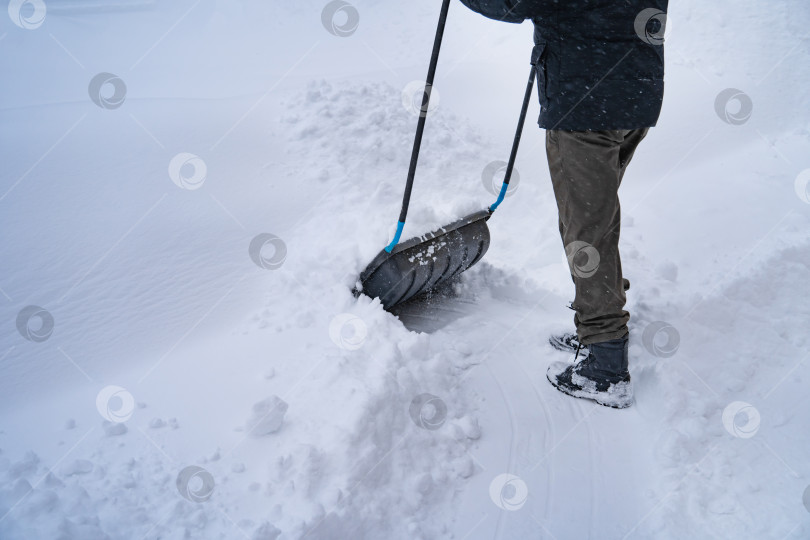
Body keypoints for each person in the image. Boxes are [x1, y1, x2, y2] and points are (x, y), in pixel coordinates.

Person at [459, 0, 668, 408]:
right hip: (634, 94)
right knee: (597, 222)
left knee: (586, 231)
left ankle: (605, 364)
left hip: (585, 102)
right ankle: (599, 319)